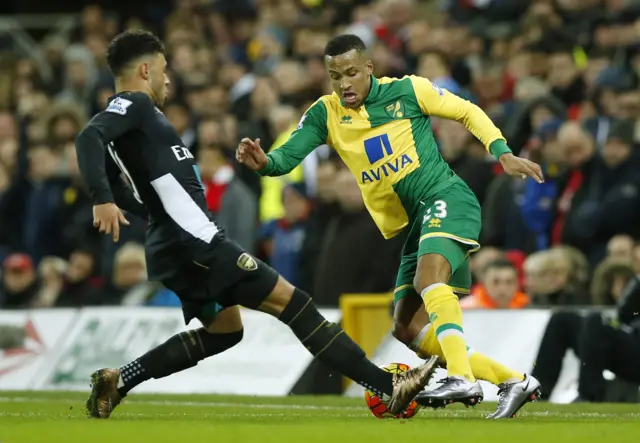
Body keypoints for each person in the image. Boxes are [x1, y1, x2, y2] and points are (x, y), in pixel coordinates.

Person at [75, 30, 438, 419]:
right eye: (163, 71)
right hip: (196, 243)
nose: (168, 80)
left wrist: (146, 213)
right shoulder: (135, 105)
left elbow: (122, 179)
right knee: (295, 304)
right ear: (145, 69)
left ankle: (119, 379)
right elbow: (88, 137)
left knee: (226, 331)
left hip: (175, 243)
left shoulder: (134, 122)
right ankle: (388, 388)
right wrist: (103, 200)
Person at [237, 34, 543, 419]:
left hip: (446, 196)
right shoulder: (325, 114)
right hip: (416, 222)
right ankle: (514, 380)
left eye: (351, 73)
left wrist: (502, 152)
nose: (344, 83)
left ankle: (463, 377)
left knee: (428, 278)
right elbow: (285, 159)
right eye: (335, 76)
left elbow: (467, 111)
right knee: (406, 328)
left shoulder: (410, 91)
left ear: (369, 68)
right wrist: (264, 162)